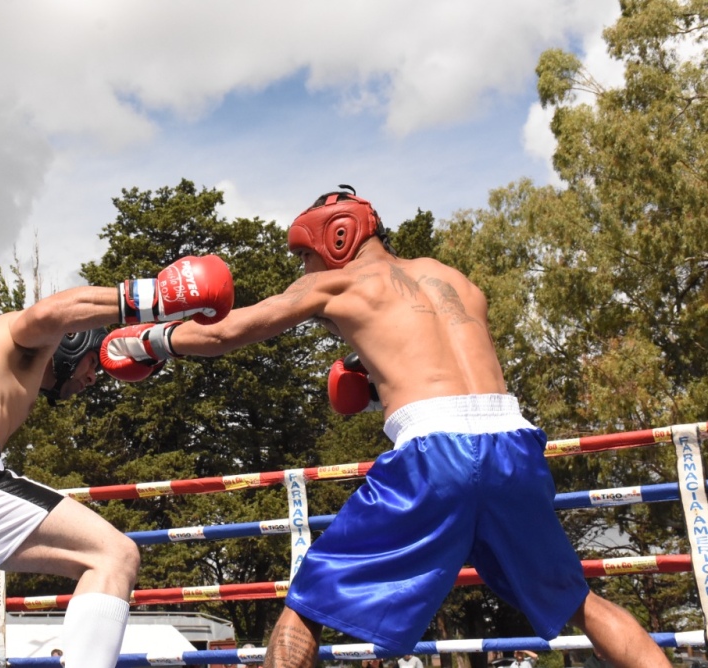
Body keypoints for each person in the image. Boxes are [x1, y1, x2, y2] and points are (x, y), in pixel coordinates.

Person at [100, 186, 671, 668]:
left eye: (306, 257)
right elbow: (444, 364)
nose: (306, 270)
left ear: (337, 239)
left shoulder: (339, 283)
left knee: (307, 603)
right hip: (515, 444)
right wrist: (371, 379)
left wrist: (146, 340)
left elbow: (227, 333)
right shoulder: (456, 281)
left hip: (435, 454)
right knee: (579, 601)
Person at [0, 255, 234, 668]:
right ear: (73, 340)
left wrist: (158, 339)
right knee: (112, 556)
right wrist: (156, 297)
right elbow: (51, 312)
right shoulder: (26, 333)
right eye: (93, 363)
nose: (92, 377)